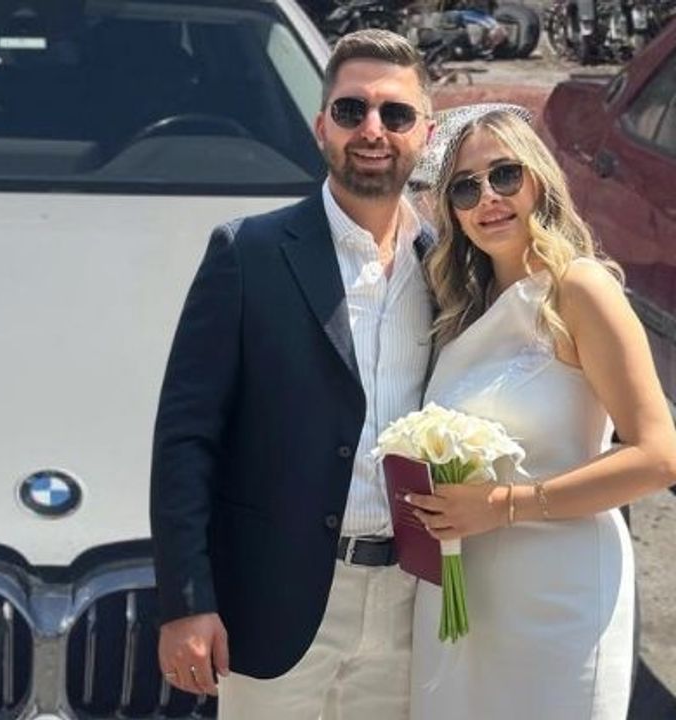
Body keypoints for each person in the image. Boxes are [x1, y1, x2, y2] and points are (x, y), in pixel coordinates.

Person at [150, 29, 435, 718]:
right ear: (321, 126)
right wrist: (186, 602)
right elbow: (186, 439)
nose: (373, 130)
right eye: (351, 110)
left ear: (425, 133)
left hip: (413, 605)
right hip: (278, 601)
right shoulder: (248, 252)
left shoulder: (449, 265)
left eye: (396, 114)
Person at [404, 106, 676, 719]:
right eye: (465, 188)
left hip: (559, 599)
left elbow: (659, 457)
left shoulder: (579, 288)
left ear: (539, 179)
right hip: (462, 598)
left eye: (504, 175)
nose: (488, 198)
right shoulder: (459, 307)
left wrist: (505, 505)